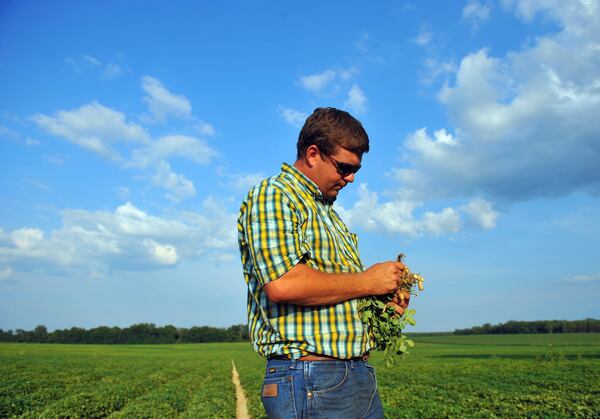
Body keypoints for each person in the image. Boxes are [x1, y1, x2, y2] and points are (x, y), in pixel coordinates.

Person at [237, 107, 409, 418]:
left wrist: (385, 309)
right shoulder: (275, 195)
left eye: (356, 169)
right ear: (313, 153)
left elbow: (339, 297)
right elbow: (282, 283)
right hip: (310, 376)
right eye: (344, 167)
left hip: (353, 373)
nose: (351, 178)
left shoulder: (329, 214)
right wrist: (368, 281)